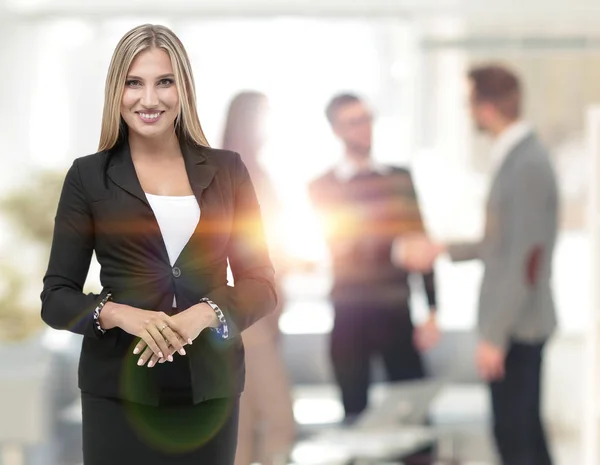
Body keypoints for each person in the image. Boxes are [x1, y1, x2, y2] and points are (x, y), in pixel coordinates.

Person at [40, 24, 277, 465]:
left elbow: (260, 282)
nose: (149, 99)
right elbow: (56, 297)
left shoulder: (227, 171)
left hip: (210, 389)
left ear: (182, 88)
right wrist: (119, 314)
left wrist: (201, 316)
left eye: (164, 81)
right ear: (117, 90)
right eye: (134, 82)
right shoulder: (88, 176)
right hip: (115, 391)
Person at [396, 64, 557, 465]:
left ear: (486, 108)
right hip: (515, 324)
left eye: (468, 103)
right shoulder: (515, 158)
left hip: (518, 327)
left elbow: (525, 260)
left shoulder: (527, 164)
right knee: (521, 435)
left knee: (516, 439)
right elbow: (499, 244)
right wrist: (442, 249)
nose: (468, 114)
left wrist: (495, 335)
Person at [308, 93, 440, 425]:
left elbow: (420, 244)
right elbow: (343, 244)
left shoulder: (399, 179)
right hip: (350, 315)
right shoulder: (324, 187)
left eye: (367, 118)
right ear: (336, 130)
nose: (365, 128)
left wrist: (433, 310)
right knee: (356, 417)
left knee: (414, 414)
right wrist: (396, 249)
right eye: (354, 122)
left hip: (397, 312)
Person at [222, 91, 295, 465]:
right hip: (244, 314)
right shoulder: (230, 173)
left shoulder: (255, 171)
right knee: (281, 421)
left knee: (243, 428)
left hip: (261, 309)